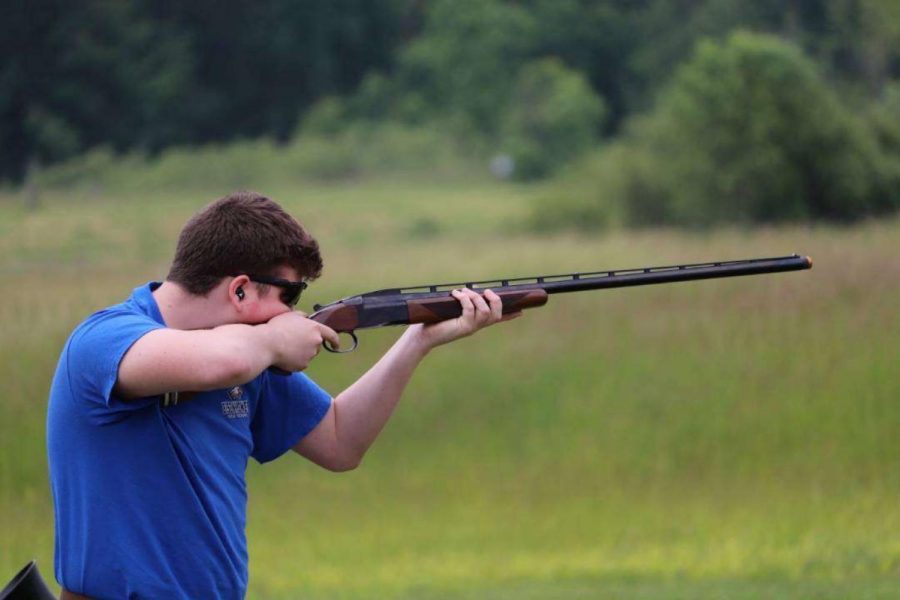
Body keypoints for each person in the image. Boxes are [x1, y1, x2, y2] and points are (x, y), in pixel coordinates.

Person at [47, 191, 520, 599]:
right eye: (290, 297)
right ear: (239, 290)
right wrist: (276, 340)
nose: (292, 315)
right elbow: (221, 362)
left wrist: (417, 340)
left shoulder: (249, 351)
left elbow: (340, 441)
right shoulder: (106, 339)